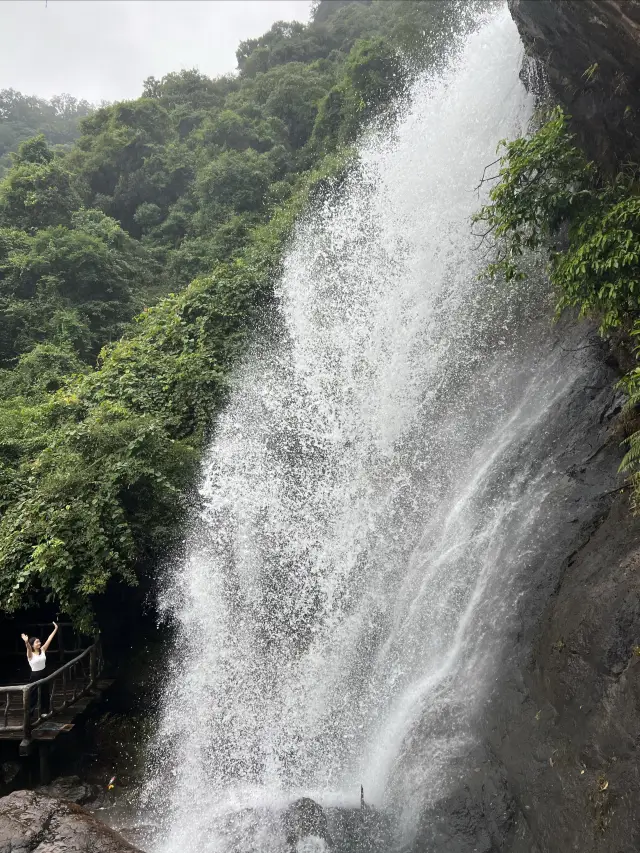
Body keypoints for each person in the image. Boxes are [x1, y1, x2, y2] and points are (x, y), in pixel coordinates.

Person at [21, 622, 58, 717]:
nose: (39, 643)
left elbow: (49, 639)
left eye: (39, 641)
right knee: (34, 695)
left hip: (44, 673)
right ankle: (30, 714)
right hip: (35, 675)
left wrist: (55, 629)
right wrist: (26, 642)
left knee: (45, 692)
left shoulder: (43, 650)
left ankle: (44, 711)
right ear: (32, 644)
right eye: (37, 642)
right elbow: (28, 648)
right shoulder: (30, 654)